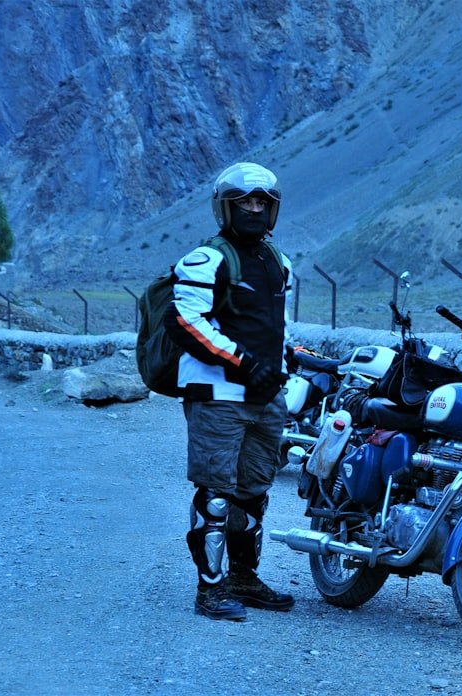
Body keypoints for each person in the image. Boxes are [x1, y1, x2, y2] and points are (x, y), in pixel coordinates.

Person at [163, 162, 295, 621]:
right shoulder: (207, 260)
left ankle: (243, 577)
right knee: (216, 493)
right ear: (226, 207)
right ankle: (211, 590)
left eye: (263, 202)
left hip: (265, 398)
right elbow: (183, 320)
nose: (255, 209)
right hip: (217, 396)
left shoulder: (278, 262)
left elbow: (274, 327)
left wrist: (287, 363)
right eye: (246, 202)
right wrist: (242, 363)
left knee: (254, 492)